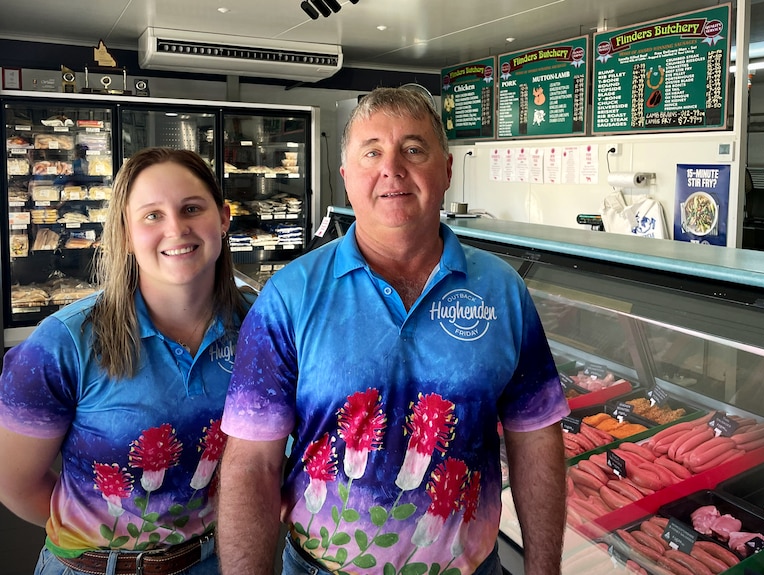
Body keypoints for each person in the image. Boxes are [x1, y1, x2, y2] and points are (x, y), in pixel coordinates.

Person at [217, 87, 569, 575]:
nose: (392, 168)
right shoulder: (289, 297)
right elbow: (251, 464)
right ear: (346, 179)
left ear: (446, 170)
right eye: (372, 152)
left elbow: (536, 438)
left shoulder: (502, 292)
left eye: (413, 149)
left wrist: (544, 569)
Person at [0, 147, 250, 575]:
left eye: (192, 208)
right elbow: (15, 484)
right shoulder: (64, 343)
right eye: (152, 215)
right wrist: (110, 538)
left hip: (214, 561)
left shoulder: (257, 325)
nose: (176, 228)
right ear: (126, 234)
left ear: (223, 218)